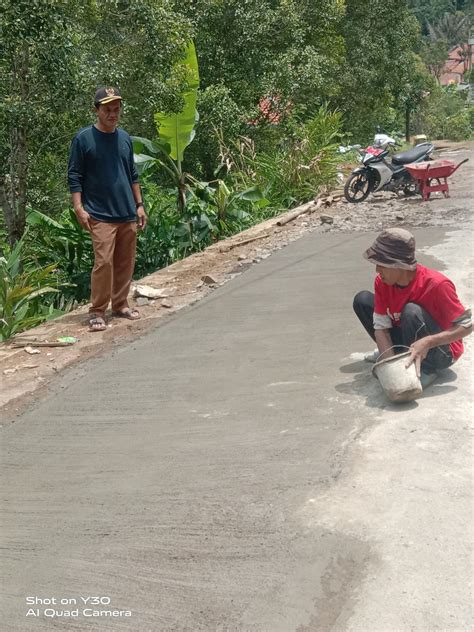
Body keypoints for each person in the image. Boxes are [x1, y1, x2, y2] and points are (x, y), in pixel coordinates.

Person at [68, 87, 147, 331]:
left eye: (116, 109)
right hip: (99, 213)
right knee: (103, 263)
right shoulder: (84, 139)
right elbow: (74, 175)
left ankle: (120, 304)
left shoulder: (124, 138)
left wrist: (140, 205)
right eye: (107, 109)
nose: (113, 114)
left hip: (126, 211)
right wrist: (79, 207)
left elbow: (132, 174)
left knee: (125, 261)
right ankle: (97, 311)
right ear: (97, 110)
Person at [353, 228, 472, 388]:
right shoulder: (382, 282)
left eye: (381, 265)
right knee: (362, 300)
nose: (377, 271)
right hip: (409, 340)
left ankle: (427, 369)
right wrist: (390, 364)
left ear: (398, 265)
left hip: (441, 352)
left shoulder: (437, 284)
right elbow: (381, 328)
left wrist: (428, 342)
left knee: (411, 311)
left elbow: (467, 326)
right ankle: (399, 357)